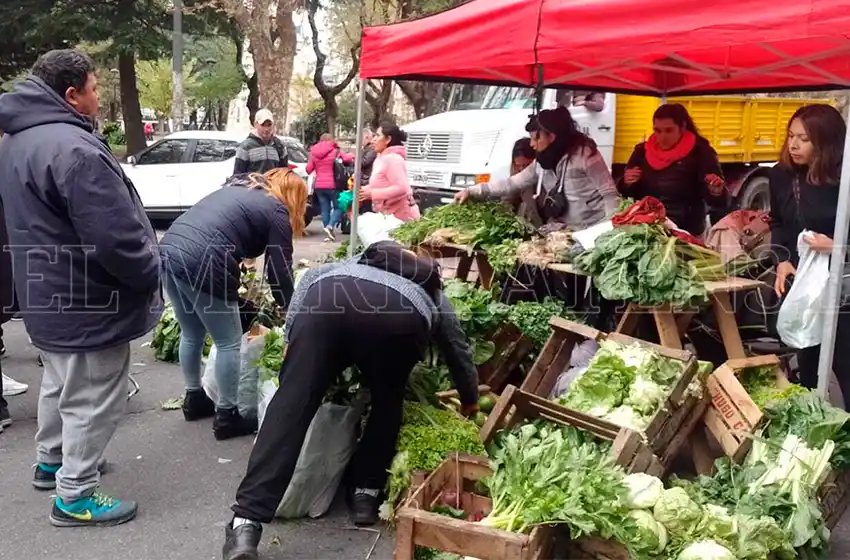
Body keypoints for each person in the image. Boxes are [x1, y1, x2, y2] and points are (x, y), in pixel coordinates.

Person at [221, 241, 479, 560]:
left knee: (292, 404)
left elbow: (310, 277)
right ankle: (365, 495)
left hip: (326, 304)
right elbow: (457, 348)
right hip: (399, 321)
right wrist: (470, 398)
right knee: (387, 401)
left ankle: (246, 524)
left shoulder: (351, 265)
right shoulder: (431, 288)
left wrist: (290, 338)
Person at [0, 49, 162, 526]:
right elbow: (115, 238)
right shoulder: (74, 149)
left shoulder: (15, 141)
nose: (98, 96)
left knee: (60, 380)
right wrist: (152, 272)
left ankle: (52, 462)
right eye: (93, 88)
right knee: (95, 394)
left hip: (45, 292)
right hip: (88, 297)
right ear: (71, 95)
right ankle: (75, 493)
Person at [159, 168, 307, 439]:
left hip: (169, 249)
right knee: (227, 341)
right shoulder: (275, 209)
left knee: (191, 332)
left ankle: (194, 399)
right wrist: (290, 308)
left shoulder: (239, 190)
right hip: (204, 260)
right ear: (293, 195)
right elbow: (280, 271)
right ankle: (227, 416)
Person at [769, 104, 850, 408]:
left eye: (803, 138)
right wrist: (782, 260)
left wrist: (839, 246)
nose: (793, 145)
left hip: (842, 287)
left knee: (844, 363)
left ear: (826, 141)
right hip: (803, 282)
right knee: (808, 361)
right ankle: (813, 431)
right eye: (791, 136)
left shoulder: (845, 179)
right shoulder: (780, 175)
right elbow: (778, 221)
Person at [455, 106, 620, 232]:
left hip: (590, 230)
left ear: (551, 136)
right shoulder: (542, 162)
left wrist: (607, 232)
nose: (532, 144)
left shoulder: (586, 155)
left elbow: (610, 194)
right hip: (564, 232)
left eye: (536, 138)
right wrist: (471, 191)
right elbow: (510, 184)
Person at [619, 103, 726, 237]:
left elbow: (719, 202)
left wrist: (716, 191)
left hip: (686, 231)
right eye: (657, 130)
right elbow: (626, 194)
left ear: (682, 127)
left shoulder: (701, 152)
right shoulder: (641, 152)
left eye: (669, 130)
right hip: (648, 229)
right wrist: (627, 183)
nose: (662, 137)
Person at [359, 122, 421, 222]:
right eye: (374, 135)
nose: (373, 139)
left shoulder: (393, 159)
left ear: (388, 139)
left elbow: (401, 188)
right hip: (387, 216)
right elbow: (382, 183)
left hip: (401, 219)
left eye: (378, 136)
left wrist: (373, 193)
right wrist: (363, 190)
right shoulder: (381, 158)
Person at [307, 133, 354, 241]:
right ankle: (330, 226)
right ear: (331, 140)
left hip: (319, 185)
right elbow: (347, 159)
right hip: (333, 184)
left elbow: (308, 169)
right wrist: (352, 155)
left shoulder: (314, 152)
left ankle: (328, 233)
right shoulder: (335, 150)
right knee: (339, 207)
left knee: (325, 209)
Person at [234, 109, 289, 175]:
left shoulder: (280, 146)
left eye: (269, 125)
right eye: (263, 125)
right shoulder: (245, 147)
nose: (266, 129)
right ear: (255, 124)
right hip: (252, 185)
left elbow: (284, 175)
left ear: (273, 125)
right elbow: (237, 176)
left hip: (274, 185)